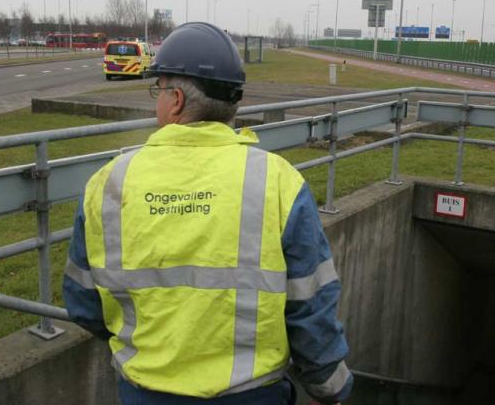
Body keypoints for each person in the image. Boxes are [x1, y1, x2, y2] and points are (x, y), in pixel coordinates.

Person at [63, 22, 352, 405]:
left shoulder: (109, 183)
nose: (157, 101)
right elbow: (310, 305)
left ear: (177, 100)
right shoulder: (277, 181)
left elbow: (83, 304)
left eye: (158, 89)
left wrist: (156, 351)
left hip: (145, 395)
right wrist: (330, 387)